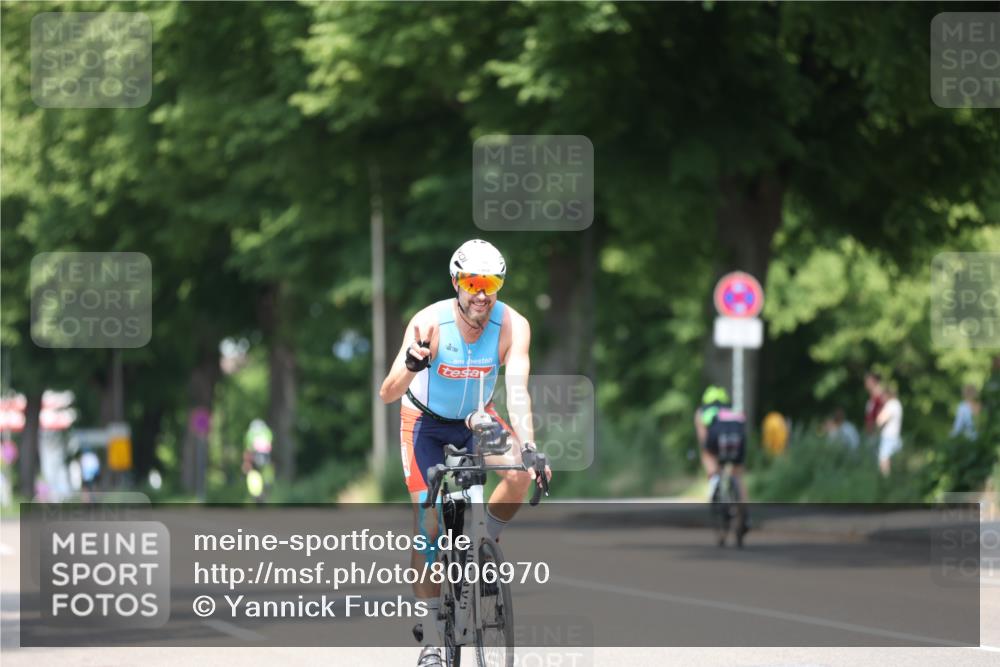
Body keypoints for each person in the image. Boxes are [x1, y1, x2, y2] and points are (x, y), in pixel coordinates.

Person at [378, 239, 551, 667]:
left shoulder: (513, 326)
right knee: (429, 523)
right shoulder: (429, 324)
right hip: (424, 425)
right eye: (473, 282)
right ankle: (434, 634)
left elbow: (517, 392)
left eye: (491, 283)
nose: (481, 293)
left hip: (477, 419)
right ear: (457, 282)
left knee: (519, 473)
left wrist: (529, 447)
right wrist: (412, 365)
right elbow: (387, 392)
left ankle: (484, 546)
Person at [694, 386, 749, 529]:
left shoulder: (702, 412)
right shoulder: (733, 411)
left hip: (717, 440)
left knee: (707, 454)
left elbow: (703, 439)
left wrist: (710, 453)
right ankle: (744, 515)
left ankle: (714, 482)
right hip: (738, 441)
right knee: (738, 476)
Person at [243, 419, 274, 502]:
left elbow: (248, 449)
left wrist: (246, 462)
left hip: (255, 456)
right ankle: (265, 487)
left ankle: (257, 493)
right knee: (265, 472)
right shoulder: (267, 431)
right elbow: (270, 446)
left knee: (254, 473)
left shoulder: (250, 433)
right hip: (266, 457)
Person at [876, 384, 903, 476]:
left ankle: (886, 481)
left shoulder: (891, 404)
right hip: (895, 436)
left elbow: (880, 420)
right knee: (895, 463)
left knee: (884, 460)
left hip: (888, 437)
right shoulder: (897, 404)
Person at [863, 371, 886, 436]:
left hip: (878, 433)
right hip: (871, 432)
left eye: (868, 382)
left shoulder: (880, 397)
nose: (866, 384)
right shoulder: (872, 397)